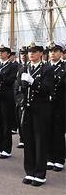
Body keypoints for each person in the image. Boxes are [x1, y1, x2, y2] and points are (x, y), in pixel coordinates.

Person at [17, 42, 54, 187]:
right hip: (26, 109)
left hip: (40, 109)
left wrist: (33, 83)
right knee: (28, 141)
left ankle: (40, 173)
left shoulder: (47, 69)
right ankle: (30, 171)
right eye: (29, 51)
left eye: (34, 51)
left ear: (41, 54)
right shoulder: (23, 68)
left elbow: (48, 89)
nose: (31, 54)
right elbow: (17, 89)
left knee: (40, 141)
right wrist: (20, 102)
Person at [0, 45, 18, 159]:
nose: (0, 54)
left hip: (6, 97)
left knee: (6, 123)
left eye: (3, 52)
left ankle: (6, 149)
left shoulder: (12, 66)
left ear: (8, 54)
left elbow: (10, 81)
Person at [46, 41, 65, 172]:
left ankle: (59, 159)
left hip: (60, 103)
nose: (52, 53)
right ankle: (50, 157)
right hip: (46, 104)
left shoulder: (64, 67)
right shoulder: (45, 67)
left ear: (61, 53)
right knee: (47, 131)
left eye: (56, 51)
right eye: (51, 51)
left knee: (58, 131)